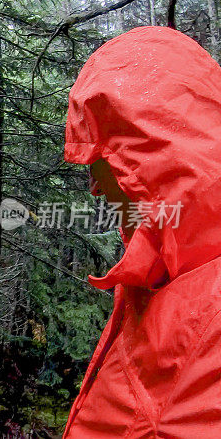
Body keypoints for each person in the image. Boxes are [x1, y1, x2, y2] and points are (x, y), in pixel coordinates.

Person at [63, 26, 221, 437]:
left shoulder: (209, 326)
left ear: (150, 160)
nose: (94, 188)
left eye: (100, 157)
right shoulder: (166, 274)